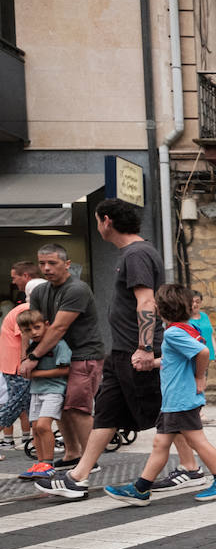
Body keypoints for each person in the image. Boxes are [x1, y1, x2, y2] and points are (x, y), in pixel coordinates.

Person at [36, 200, 167, 501]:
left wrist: (145, 348)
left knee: (166, 414)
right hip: (121, 351)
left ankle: (197, 469)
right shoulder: (134, 253)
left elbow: (147, 302)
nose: (98, 227)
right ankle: (77, 477)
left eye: (97, 221)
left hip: (136, 352)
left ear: (107, 221)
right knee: (106, 412)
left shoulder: (136, 254)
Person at [104, 284, 216, 506]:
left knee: (197, 441)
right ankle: (141, 489)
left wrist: (199, 377)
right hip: (174, 401)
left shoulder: (173, 332)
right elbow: (174, 360)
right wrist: (151, 364)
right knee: (160, 443)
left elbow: (203, 353)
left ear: (159, 309)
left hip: (180, 400)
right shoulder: (184, 329)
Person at [24, 243, 104, 487]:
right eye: (42, 263)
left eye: (52, 263)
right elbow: (31, 326)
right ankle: (72, 454)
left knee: (78, 408)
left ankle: (90, 461)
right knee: (60, 405)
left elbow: (59, 327)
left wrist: (35, 356)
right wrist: (25, 357)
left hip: (84, 354)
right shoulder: (39, 292)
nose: (46, 268)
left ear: (67, 264)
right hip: (54, 355)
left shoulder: (77, 289)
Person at [15, 309, 68, 482]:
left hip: (54, 390)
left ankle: (48, 464)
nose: (34, 332)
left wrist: (35, 375)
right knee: (36, 428)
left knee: (44, 426)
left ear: (46, 325)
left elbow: (65, 369)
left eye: (37, 327)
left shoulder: (59, 344)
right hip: (36, 391)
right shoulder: (32, 344)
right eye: (28, 330)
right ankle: (40, 463)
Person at [0, 263, 39, 451]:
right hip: (16, 365)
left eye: (15, 277)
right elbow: (25, 333)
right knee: (14, 405)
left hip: (13, 364)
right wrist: (25, 360)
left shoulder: (28, 306)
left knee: (27, 403)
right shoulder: (27, 309)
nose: (13, 281)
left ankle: (35, 440)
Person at [189, 291, 216, 361]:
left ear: (201, 302)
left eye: (197, 301)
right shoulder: (185, 319)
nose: (195, 304)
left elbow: (210, 334)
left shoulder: (204, 316)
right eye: (192, 302)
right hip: (194, 356)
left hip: (208, 354)